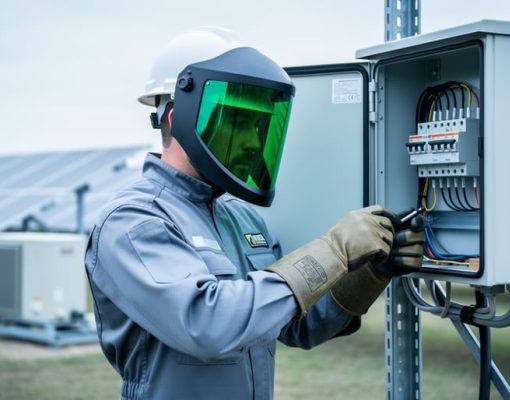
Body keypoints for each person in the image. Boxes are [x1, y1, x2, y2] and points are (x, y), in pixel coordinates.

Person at [84, 27, 425, 400]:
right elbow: (208, 325)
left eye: (259, 126)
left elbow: (301, 324)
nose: (251, 143)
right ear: (174, 118)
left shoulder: (241, 218)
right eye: (236, 122)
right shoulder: (133, 221)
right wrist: (334, 250)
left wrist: (372, 272)